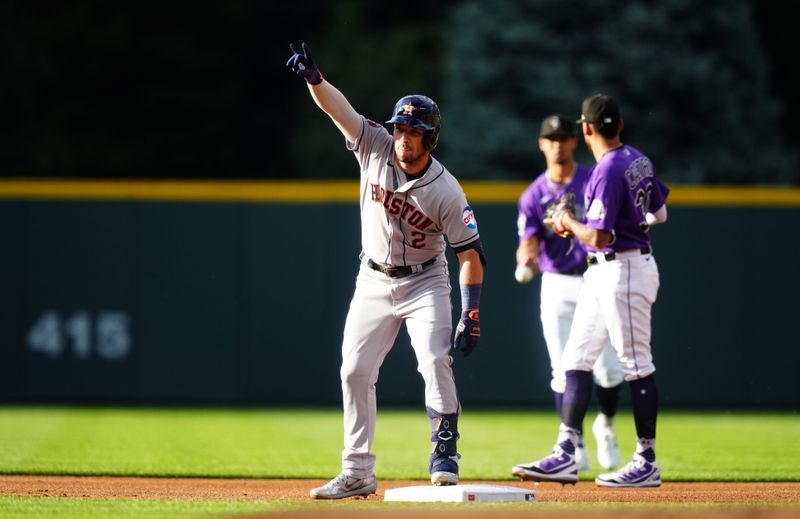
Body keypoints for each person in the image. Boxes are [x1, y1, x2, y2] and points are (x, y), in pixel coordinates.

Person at [286, 42, 486, 499]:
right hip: (373, 279)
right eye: (400, 128)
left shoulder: (447, 191)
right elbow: (341, 112)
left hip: (425, 281)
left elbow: (470, 253)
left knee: (434, 359)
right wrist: (315, 80)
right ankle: (357, 470)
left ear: (429, 138)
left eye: (413, 131)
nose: (402, 137)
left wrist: (470, 311)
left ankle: (444, 453)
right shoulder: (374, 145)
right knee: (354, 370)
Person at [510, 94, 668, 488]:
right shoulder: (637, 158)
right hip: (604, 272)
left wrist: (565, 222)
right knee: (575, 359)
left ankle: (646, 459)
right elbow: (659, 213)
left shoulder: (606, 169)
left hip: (623, 268)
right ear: (621, 125)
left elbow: (597, 235)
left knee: (634, 365)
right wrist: (633, 221)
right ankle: (566, 454)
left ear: (586, 129)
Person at [512, 115, 623, 477]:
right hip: (557, 283)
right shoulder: (532, 195)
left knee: (607, 368)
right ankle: (572, 446)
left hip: (595, 276)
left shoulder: (591, 178)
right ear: (542, 144)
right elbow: (528, 236)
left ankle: (604, 422)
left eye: (563, 137)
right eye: (551, 138)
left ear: (574, 141)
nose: (557, 143)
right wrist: (526, 253)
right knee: (561, 369)